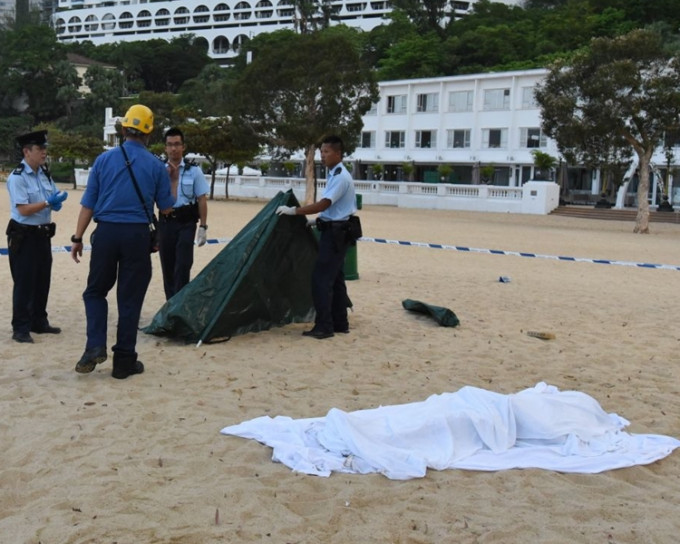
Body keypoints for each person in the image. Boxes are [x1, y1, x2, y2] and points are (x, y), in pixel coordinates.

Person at [70, 104, 175, 379]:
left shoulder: (103, 161)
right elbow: (166, 208)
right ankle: (124, 361)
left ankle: (94, 346)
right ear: (148, 133)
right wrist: (171, 179)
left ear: (124, 129)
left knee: (95, 292)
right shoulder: (155, 165)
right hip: (137, 235)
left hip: (105, 233)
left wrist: (78, 237)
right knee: (129, 299)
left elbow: (88, 204)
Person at [275, 135, 358, 339]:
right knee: (336, 279)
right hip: (335, 229)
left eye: (326, 152)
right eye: (321, 151)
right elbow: (333, 209)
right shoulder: (334, 174)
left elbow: (324, 204)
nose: (323, 155)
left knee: (321, 280)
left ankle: (324, 326)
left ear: (338, 154)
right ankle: (340, 323)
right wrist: (318, 221)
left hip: (336, 234)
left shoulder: (340, 176)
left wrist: (294, 211)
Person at [6, 130, 69, 343]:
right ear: (26, 151)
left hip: (43, 234)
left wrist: (56, 201)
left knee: (42, 279)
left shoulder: (44, 173)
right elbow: (23, 209)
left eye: (44, 148)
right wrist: (47, 203)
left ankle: (39, 321)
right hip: (24, 235)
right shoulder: (18, 177)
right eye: (39, 149)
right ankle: (21, 327)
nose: (44, 152)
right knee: (24, 281)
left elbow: (51, 195)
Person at [158, 127, 209, 300]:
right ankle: (170, 305)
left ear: (183, 147)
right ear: (165, 148)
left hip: (186, 222)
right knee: (168, 266)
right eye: (170, 145)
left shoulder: (194, 171)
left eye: (177, 144)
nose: (173, 148)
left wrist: (203, 226)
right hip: (165, 223)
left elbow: (202, 199)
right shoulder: (159, 171)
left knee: (183, 264)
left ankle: (180, 304)